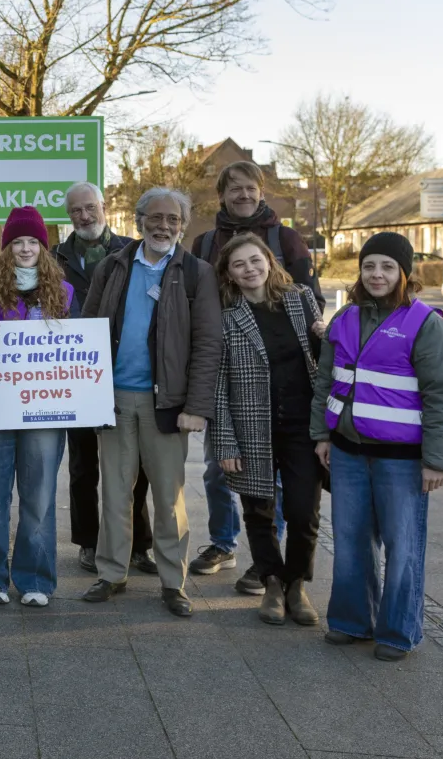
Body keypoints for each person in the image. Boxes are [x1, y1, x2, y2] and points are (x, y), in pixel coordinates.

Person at [313, 232, 443, 661]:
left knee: (402, 545)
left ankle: (398, 632)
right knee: (351, 540)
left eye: (387, 267)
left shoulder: (425, 325)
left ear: (404, 273)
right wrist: (322, 434)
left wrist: (437, 460)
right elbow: (326, 382)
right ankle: (350, 621)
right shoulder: (344, 319)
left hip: (403, 459)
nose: (377, 274)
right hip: (347, 451)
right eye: (369, 266)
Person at [80, 187, 222, 618]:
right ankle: (111, 572)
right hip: (116, 398)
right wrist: (88, 394)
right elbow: (88, 329)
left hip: (168, 403)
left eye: (173, 219)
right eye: (155, 218)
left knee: (169, 496)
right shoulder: (114, 265)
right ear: (139, 220)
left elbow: (208, 343)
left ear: (183, 224)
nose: (164, 226)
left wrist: (196, 405)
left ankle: (171, 581)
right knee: (116, 492)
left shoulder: (198, 272)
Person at [189, 161, 324, 593]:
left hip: (295, 408)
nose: (243, 196)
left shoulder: (286, 240)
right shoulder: (206, 243)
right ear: (222, 195)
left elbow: (312, 309)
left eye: (250, 188)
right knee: (224, 474)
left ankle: (281, 573)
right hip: (238, 388)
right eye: (235, 190)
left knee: (292, 496)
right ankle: (227, 546)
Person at [209, 234, 324, 627]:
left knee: (302, 511)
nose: (250, 269)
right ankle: (272, 582)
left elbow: (322, 361)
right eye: (239, 264)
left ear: (270, 262)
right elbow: (219, 386)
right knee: (258, 512)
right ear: (229, 274)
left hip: (302, 424)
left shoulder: (301, 299)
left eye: (255, 260)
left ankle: (297, 584)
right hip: (251, 427)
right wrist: (224, 441)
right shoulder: (226, 317)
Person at [52, 181, 155, 576]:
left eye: (89, 207)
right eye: (76, 211)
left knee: (136, 465)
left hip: (124, 370)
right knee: (82, 465)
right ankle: (89, 542)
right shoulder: (55, 256)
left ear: (103, 206)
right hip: (75, 375)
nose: (84, 216)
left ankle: (138, 544)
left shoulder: (132, 249)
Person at [0, 206, 73, 608]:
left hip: (44, 409)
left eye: (34, 241)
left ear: (44, 247)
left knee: (40, 495)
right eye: (18, 241)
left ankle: (36, 578)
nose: (27, 248)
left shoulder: (64, 293)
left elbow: (75, 351)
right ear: (6, 246)